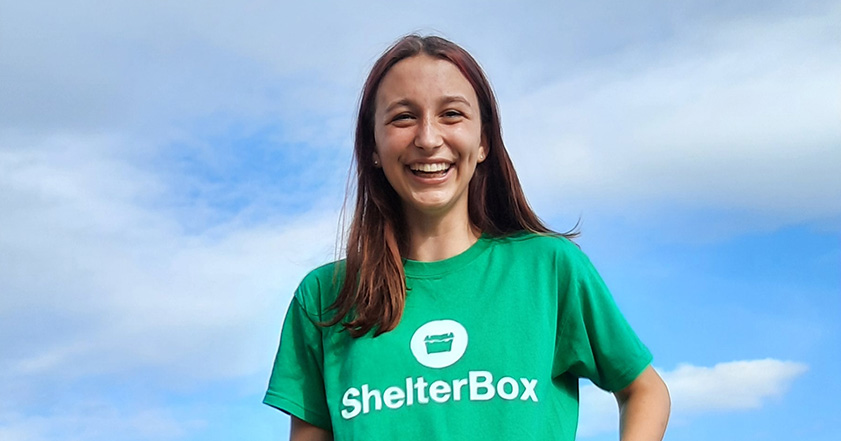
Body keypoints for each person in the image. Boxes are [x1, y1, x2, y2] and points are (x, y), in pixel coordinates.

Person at [264, 34, 670, 441]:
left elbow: (645, 390)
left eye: (451, 115)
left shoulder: (549, 269)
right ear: (373, 145)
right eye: (403, 117)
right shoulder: (324, 298)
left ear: (483, 142)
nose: (427, 138)